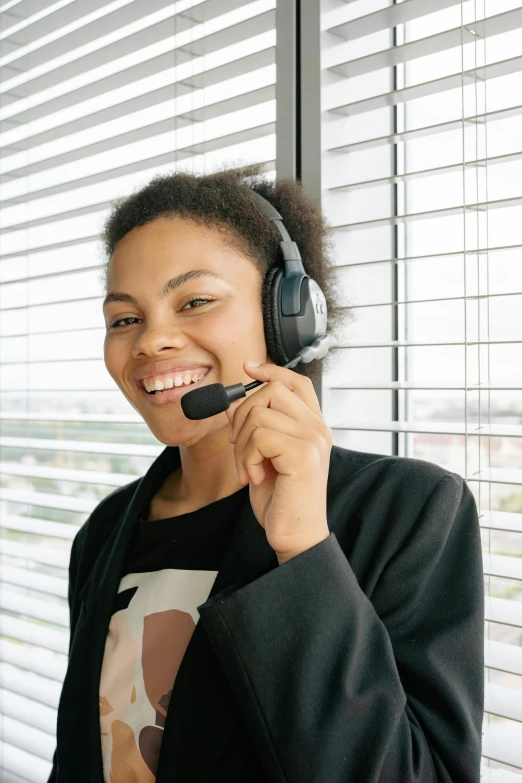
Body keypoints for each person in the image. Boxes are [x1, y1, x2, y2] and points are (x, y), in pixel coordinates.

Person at [48, 163, 484, 783]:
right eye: (125, 318)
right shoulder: (106, 528)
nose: (151, 342)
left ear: (288, 315)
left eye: (194, 301)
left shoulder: (408, 510)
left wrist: (304, 548)